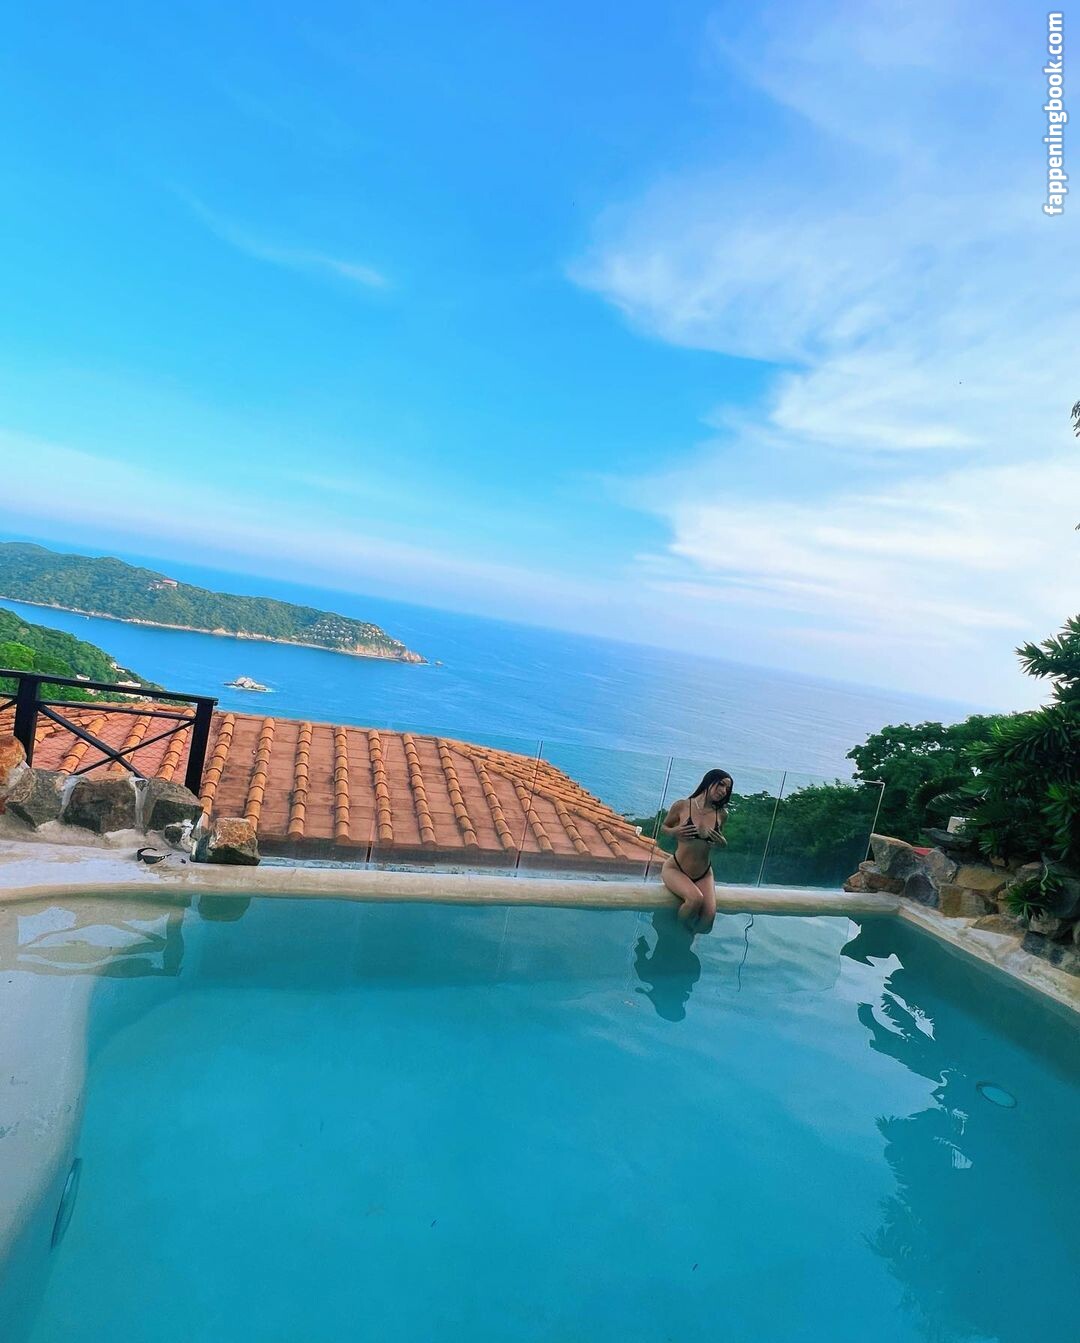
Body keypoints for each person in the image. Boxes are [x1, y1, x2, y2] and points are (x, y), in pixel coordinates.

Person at [659, 769, 733, 933]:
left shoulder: (722, 814)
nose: (723, 791)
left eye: (727, 789)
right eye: (721, 784)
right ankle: (676, 936)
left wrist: (722, 843)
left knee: (708, 918)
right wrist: (675, 832)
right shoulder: (682, 806)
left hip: (704, 873)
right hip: (676, 868)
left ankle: (688, 937)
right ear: (708, 781)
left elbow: (719, 841)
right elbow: (664, 827)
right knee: (694, 899)